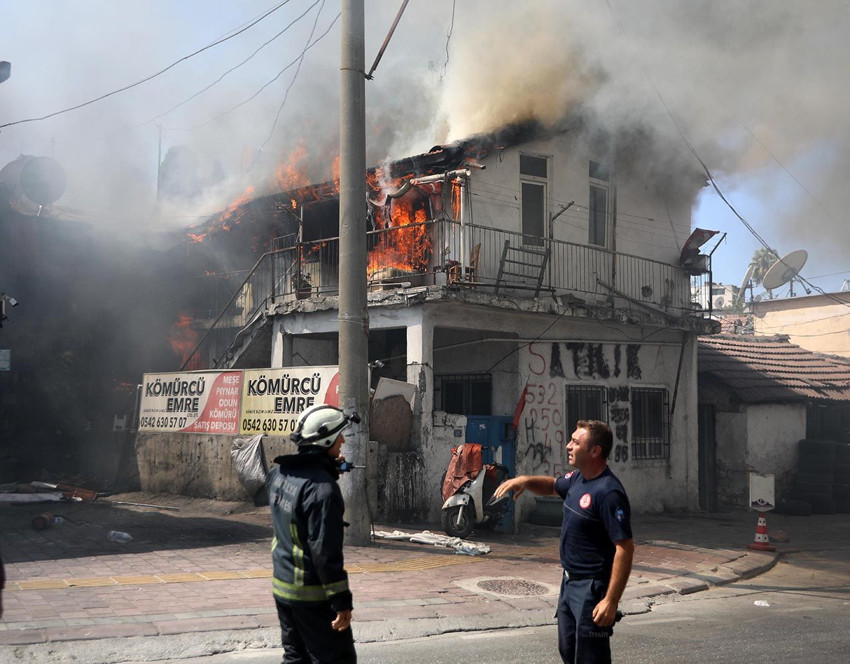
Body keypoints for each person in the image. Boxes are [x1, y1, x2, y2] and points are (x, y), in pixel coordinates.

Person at [494, 419, 634, 664]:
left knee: (591, 659)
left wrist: (611, 600)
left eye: (575, 442)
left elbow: (625, 548)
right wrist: (525, 481)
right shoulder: (578, 479)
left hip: (592, 588)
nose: (568, 445)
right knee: (568, 651)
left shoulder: (608, 493)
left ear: (594, 451)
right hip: (569, 583)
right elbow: (552, 486)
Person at [267, 404, 360, 664]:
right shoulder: (323, 492)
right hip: (312, 596)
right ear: (327, 439)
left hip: (283, 590)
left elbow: (301, 493)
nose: (342, 440)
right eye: (339, 435)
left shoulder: (278, 475)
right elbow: (324, 553)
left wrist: (327, 468)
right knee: (335, 659)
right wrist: (342, 602)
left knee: (296, 657)